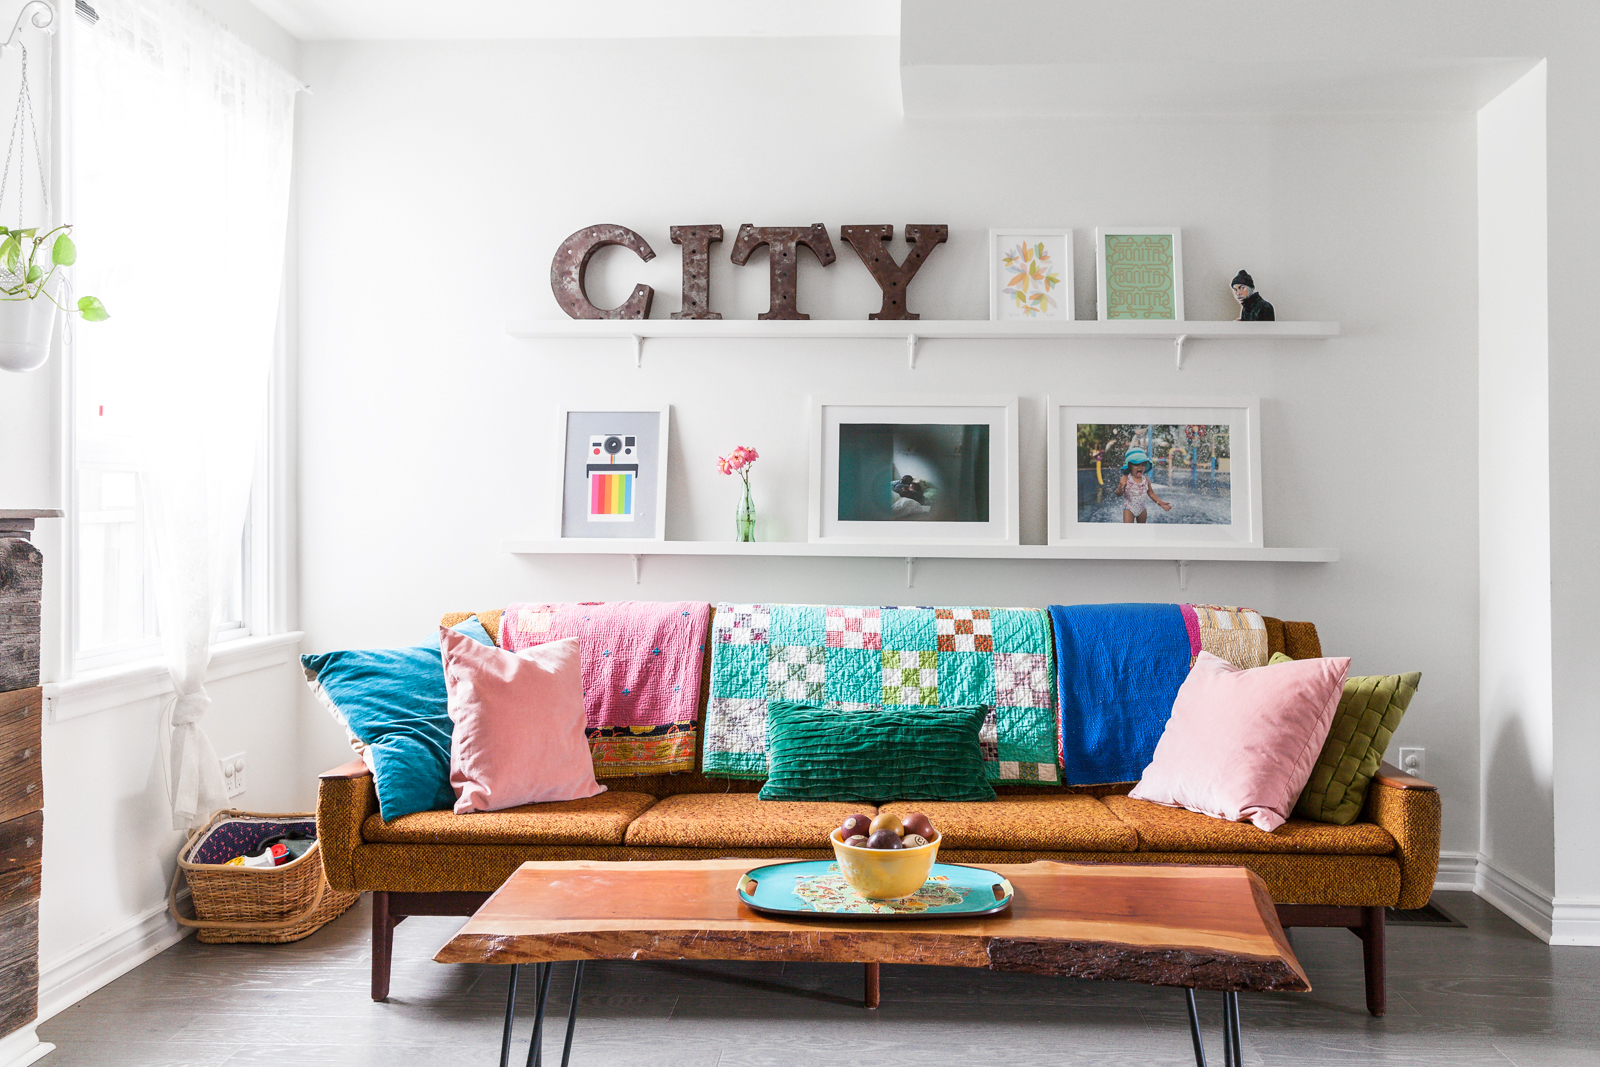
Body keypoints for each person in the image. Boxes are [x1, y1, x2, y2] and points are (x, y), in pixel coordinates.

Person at [1116, 448, 1172, 523]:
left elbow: (1151, 493)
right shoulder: (1125, 478)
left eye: (1143, 465)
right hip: (1129, 509)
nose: (1140, 467)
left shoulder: (1146, 480)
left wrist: (1160, 502)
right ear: (1129, 466)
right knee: (1128, 529)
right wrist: (1120, 489)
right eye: (1136, 464)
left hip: (1142, 509)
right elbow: (1118, 494)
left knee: (1142, 529)